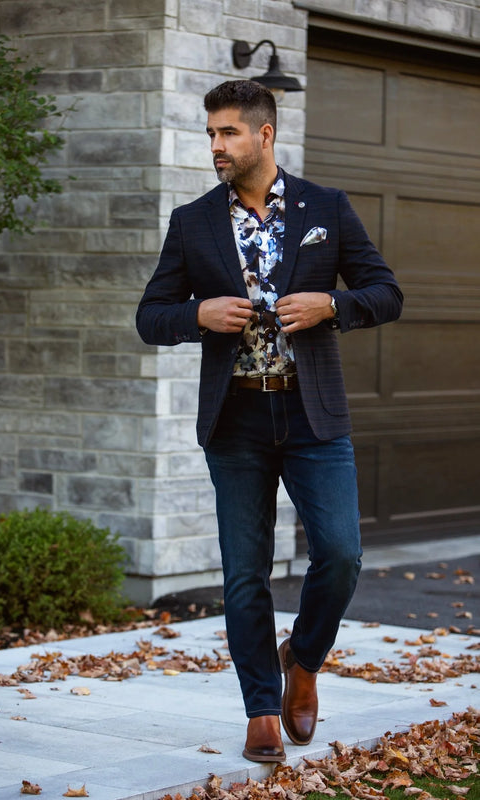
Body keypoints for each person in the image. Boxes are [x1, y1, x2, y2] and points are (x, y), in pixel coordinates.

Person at [136, 80, 403, 763]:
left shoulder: (327, 208)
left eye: (228, 133)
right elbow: (150, 315)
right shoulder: (193, 221)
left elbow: (386, 293)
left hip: (314, 411)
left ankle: (303, 660)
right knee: (243, 573)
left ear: (264, 135)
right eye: (210, 135)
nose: (217, 147)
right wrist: (195, 315)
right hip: (236, 418)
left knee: (340, 556)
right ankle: (260, 706)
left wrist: (332, 307)